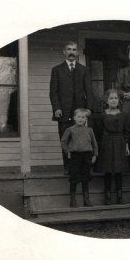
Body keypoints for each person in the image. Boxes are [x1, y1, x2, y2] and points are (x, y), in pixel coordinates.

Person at [49, 41, 93, 173]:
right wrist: (57, 108)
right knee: (65, 138)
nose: (71, 52)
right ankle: (68, 167)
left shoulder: (83, 69)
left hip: (80, 112)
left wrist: (89, 108)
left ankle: (80, 167)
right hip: (63, 111)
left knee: (81, 139)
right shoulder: (57, 70)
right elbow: (53, 92)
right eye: (69, 49)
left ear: (77, 52)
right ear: (64, 52)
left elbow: (89, 91)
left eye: (74, 50)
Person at [97, 89, 130, 205]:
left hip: (120, 142)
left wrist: (126, 146)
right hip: (106, 142)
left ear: (119, 100)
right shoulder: (102, 115)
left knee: (118, 170)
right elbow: (99, 131)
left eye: (116, 98)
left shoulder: (124, 115)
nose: (113, 100)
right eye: (111, 98)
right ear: (106, 101)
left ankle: (120, 195)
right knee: (108, 170)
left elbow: (126, 132)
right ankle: (107, 196)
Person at [61, 108, 98, 208]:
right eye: (79, 117)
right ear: (74, 118)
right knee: (74, 177)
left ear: (86, 119)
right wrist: (67, 151)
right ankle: (72, 200)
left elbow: (94, 144)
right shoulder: (70, 130)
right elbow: (63, 142)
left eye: (83, 117)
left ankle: (86, 199)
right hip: (75, 156)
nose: (81, 119)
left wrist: (95, 154)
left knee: (85, 177)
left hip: (87, 156)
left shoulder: (89, 130)